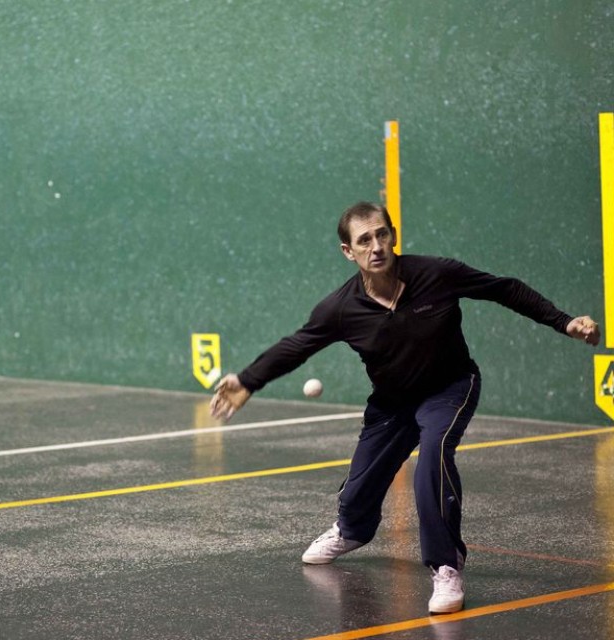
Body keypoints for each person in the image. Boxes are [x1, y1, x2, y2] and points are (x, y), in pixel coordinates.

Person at [209, 201, 599, 614]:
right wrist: (248, 380)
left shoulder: (436, 274)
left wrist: (563, 321)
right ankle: (352, 530)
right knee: (358, 490)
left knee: (434, 456)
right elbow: (297, 346)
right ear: (348, 251)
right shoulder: (340, 309)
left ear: (393, 236)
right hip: (392, 403)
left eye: (382, 234)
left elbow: (505, 288)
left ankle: (446, 565)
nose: (376, 246)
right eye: (364, 240)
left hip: (449, 388)